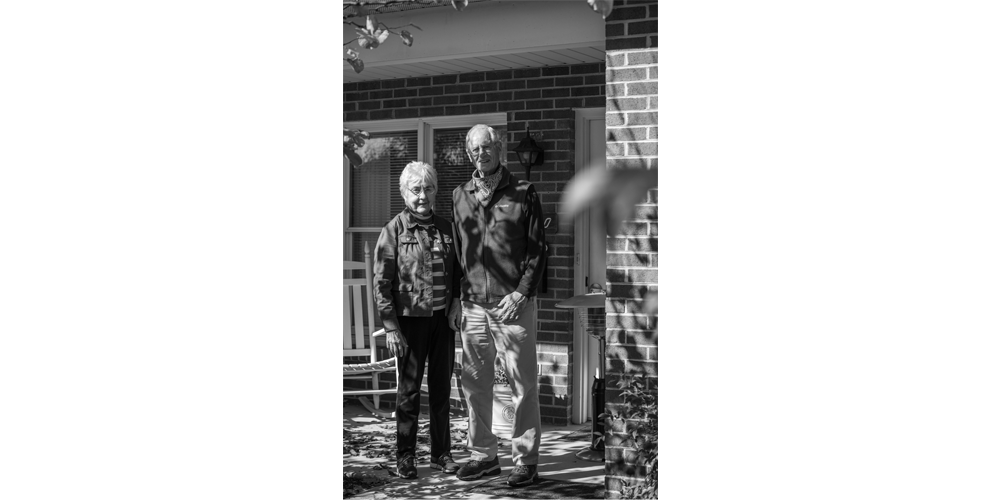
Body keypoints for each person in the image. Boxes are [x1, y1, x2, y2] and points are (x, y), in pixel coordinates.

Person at [448, 124, 546, 487]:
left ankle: (525, 460)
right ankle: (484, 456)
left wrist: (521, 292)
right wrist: (459, 298)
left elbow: (537, 249)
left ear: (499, 149)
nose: (481, 154)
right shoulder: (460, 195)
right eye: (475, 149)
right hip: (473, 306)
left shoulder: (523, 192)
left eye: (487, 147)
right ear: (469, 154)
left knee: (523, 386)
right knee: (475, 385)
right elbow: (459, 253)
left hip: (513, 306)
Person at [372, 162, 462, 479]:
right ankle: (405, 457)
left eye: (428, 188)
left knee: (441, 390)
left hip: (441, 322)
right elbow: (381, 284)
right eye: (416, 189)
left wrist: (455, 305)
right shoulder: (393, 230)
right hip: (409, 322)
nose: (423, 196)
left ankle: (441, 455)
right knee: (408, 393)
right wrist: (391, 328)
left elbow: (457, 275)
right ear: (404, 193)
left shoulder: (447, 228)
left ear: (435, 190)